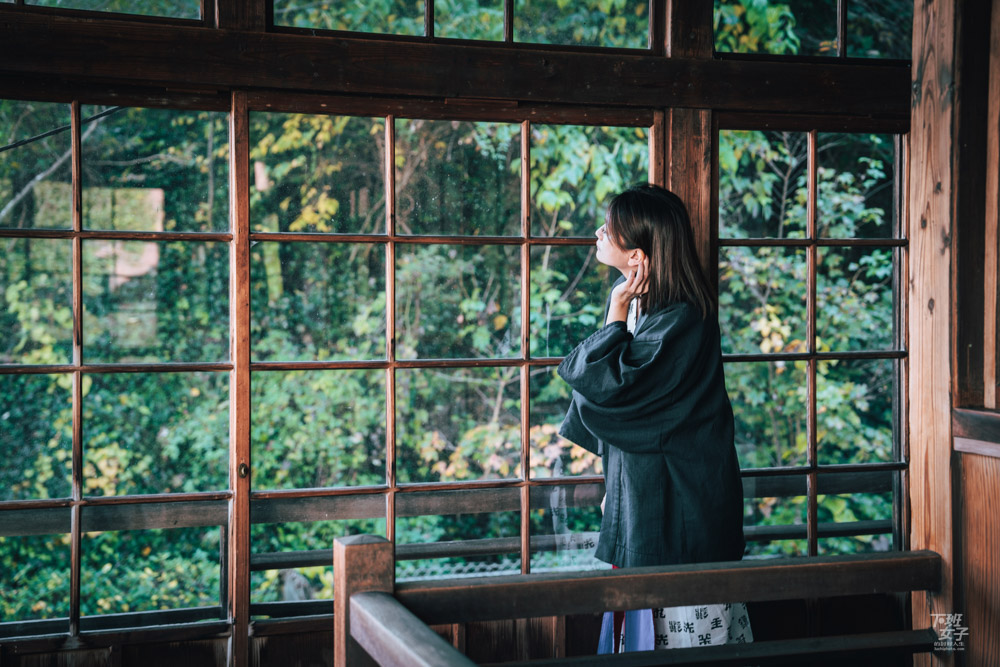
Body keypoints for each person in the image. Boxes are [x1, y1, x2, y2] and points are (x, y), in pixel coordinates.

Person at [557, 183, 752, 652]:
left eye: (612, 229)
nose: (601, 234)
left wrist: (617, 307)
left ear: (639, 256)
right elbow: (606, 396)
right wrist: (622, 307)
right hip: (655, 505)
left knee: (685, 641)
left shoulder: (682, 318)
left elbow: (609, 395)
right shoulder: (662, 313)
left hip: (678, 513)